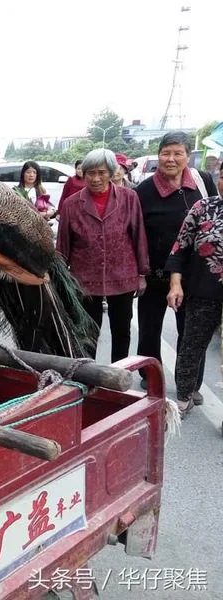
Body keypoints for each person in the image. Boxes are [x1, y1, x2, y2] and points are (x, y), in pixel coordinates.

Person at [136, 131, 217, 397]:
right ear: (158, 155)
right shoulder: (144, 191)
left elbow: (217, 215)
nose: (171, 159)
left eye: (177, 153)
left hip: (193, 276)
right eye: (165, 153)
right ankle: (151, 375)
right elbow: (135, 235)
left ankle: (190, 384)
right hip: (155, 274)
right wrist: (140, 272)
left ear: (187, 156)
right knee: (149, 330)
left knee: (192, 332)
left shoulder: (203, 181)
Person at [57, 149, 149, 363]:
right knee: (87, 333)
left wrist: (142, 274)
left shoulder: (129, 198)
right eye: (90, 173)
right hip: (85, 279)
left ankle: (118, 379)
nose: (95, 178)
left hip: (123, 275)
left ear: (111, 172)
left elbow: (139, 236)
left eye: (101, 172)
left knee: (121, 331)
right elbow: (63, 246)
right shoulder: (71, 204)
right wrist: (61, 281)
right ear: (83, 173)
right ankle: (88, 379)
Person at [165, 160, 223, 418]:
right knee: (191, 346)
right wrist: (175, 283)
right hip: (203, 292)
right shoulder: (204, 207)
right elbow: (180, 248)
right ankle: (183, 397)